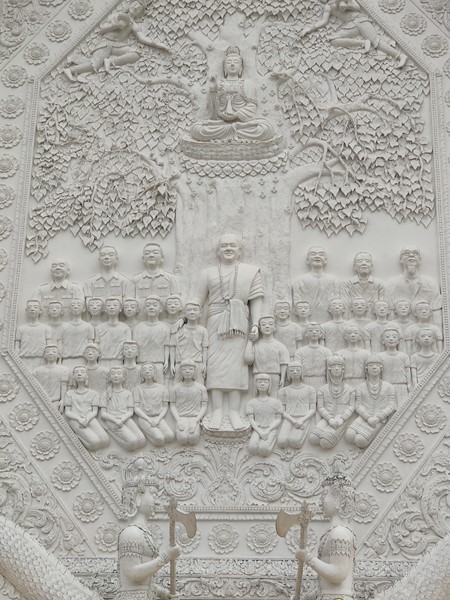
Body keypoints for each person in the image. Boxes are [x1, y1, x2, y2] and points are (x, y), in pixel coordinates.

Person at [196, 234, 264, 431]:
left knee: (237, 367)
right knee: (215, 365)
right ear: (217, 251)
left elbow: (256, 301)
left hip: (239, 324)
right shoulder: (207, 273)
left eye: (232, 246)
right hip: (215, 323)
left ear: (239, 250)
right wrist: (183, 319)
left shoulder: (250, 272)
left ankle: (234, 411)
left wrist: (256, 324)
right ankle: (217, 411)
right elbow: (197, 301)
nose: (228, 248)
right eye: (224, 245)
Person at [117, 458, 180, 600]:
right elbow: (133, 574)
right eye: (153, 495)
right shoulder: (131, 533)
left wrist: (164, 593)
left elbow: (145, 582)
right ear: (138, 496)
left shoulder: (144, 533)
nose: (156, 502)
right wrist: (166, 557)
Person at [64, 0, 171, 81]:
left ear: (140, 14)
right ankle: (71, 69)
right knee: (95, 64)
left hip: (117, 46)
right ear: (129, 4)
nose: (135, 8)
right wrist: (114, 26)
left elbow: (143, 39)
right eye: (135, 4)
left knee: (136, 54)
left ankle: (111, 62)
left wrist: (161, 45)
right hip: (106, 43)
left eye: (139, 8)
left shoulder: (133, 25)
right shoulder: (117, 16)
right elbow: (102, 30)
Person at [190, 46, 276, 142]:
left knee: (265, 129)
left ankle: (232, 132)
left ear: (241, 67)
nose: (232, 64)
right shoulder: (218, 83)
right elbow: (213, 114)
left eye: (236, 62)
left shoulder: (247, 84)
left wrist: (237, 115)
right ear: (224, 67)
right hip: (221, 125)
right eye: (228, 62)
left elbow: (252, 107)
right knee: (196, 129)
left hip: (242, 125)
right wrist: (213, 91)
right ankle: (233, 133)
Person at [296, 473, 356, 600]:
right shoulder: (334, 532)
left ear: (338, 499)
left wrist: (308, 558)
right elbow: (326, 584)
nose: (320, 501)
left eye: (324, 495)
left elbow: (339, 574)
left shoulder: (340, 533)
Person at [345, 354, 397, 448]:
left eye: (377, 365)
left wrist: (378, 418)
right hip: (364, 417)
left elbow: (391, 405)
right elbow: (358, 405)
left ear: (381, 368)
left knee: (361, 440)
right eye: (371, 365)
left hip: (379, 419)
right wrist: (368, 417)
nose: (374, 367)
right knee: (349, 435)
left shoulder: (389, 387)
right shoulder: (360, 387)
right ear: (366, 368)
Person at [62, 365, 109, 451]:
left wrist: (87, 419)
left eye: (82, 372)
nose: (79, 374)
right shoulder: (69, 393)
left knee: (105, 440)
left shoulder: (94, 394)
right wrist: (79, 419)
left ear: (87, 376)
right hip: (75, 420)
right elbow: (68, 412)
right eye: (76, 372)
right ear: (73, 377)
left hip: (89, 418)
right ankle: (74, 437)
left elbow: (94, 411)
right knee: (94, 443)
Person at [292, 247, 338, 324]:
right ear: (307, 260)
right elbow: (296, 303)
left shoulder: (333, 280)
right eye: (313, 254)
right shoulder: (299, 281)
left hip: (328, 322)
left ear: (325, 260)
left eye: (321, 254)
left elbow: (337, 301)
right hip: (307, 323)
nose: (317, 256)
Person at [278, 362, 316, 449]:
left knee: (294, 442)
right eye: (291, 370)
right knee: (281, 442)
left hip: (304, 418)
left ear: (302, 372)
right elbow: (282, 411)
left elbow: (312, 409)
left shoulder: (310, 389)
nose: (295, 372)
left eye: (298, 370)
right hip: (289, 418)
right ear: (288, 373)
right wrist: (294, 421)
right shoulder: (283, 391)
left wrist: (302, 420)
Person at [132, 243, 180, 313]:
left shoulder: (171, 279)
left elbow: (177, 300)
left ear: (162, 258)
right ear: (143, 258)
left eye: (155, 253)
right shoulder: (135, 280)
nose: (151, 255)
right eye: (147, 253)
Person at [245, 374, 283, 457]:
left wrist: (268, 430)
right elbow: (251, 419)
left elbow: (278, 419)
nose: (262, 384)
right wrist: (259, 431)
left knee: (263, 450)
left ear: (269, 384)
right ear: (255, 384)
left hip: (270, 429)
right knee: (252, 448)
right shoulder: (252, 402)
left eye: (265, 382)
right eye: (259, 382)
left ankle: (271, 442)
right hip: (258, 429)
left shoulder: (276, 402)